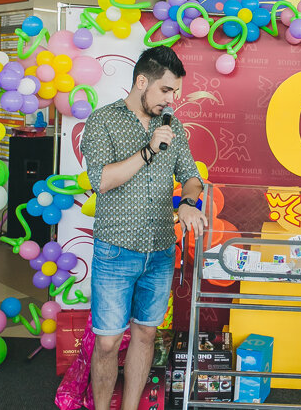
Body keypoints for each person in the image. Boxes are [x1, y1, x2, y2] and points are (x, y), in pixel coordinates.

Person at [81, 46, 207, 410]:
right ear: (141, 82)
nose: (172, 100)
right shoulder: (103, 120)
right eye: (166, 90)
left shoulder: (172, 126)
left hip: (161, 251)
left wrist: (188, 202)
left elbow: (191, 177)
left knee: (146, 335)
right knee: (107, 343)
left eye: (176, 92)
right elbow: (102, 180)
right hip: (115, 250)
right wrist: (150, 150)